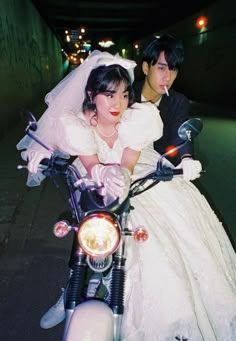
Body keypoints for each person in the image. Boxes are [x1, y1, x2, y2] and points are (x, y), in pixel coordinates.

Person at [17, 50, 236, 340]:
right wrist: (40, 152)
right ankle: (72, 289)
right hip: (92, 184)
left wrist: (125, 172)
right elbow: (59, 144)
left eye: (123, 95)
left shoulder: (137, 120)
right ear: (92, 94)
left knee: (160, 230)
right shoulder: (76, 123)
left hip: (133, 173)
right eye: (109, 95)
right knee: (88, 230)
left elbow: (127, 166)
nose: (118, 103)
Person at [133, 34, 202, 181]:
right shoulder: (126, 95)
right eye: (161, 68)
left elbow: (182, 133)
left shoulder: (178, 101)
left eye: (173, 70)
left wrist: (186, 158)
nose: (168, 77)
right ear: (146, 68)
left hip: (159, 169)